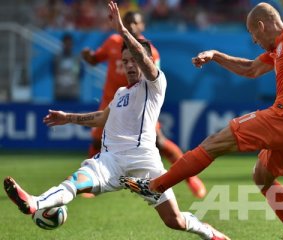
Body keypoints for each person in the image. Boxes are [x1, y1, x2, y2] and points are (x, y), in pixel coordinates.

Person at [119, 2, 283, 240]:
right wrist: (217, 56)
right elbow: (251, 70)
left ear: (261, 26)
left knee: (215, 141)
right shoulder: (278, 49)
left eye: (253, 34)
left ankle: (156, 186)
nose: (254, 41)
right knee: (262, 177)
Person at [3, 2, 229, 240]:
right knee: (74, 183)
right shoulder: (121, 93)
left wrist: (122, 30)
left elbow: (143, 56)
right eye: (125, 61)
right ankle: (34, 203)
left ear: (145, 60)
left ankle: (209, 232)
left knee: (175, 221)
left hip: (144, 164)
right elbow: (102, 117)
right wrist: (67, 117)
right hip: (109, 161)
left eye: (133, 60)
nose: (128, 65)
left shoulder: (155, 84)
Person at [82, 10, 206, 198]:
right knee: (96, 142)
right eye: (128, 22)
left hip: (140, 104)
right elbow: (94, 59)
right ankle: (90, 183)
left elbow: (154, 80)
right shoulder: (112, 43)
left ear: (142, 26)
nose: (132, 26)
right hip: (112, 101)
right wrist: (88, 56)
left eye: (136, 23)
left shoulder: (150, 51)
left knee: (159, 141)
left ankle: (191, 178)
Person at [54, 33, 82, 101]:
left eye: (69, 44)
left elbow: (79, 73)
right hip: (60, 93)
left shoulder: (76, 59)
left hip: (73, 93)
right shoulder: (57, 58)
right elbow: (53, 72)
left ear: (72, 45)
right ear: (63, 44)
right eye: (66, 43)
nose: (68, 46)